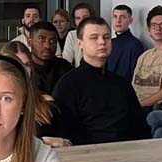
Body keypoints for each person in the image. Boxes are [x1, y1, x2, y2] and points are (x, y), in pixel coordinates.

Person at [52, 16, 149, 146]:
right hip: (86, 153)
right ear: (80, 43)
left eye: (106, 37)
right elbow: (63, 131)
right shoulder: (68, 85)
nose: (102, 42)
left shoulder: (121, 84)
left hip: (127, 151)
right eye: (94, 38)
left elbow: (140, 127)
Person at [0, 40, 70, 148]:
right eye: (18, 64)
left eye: (27, 65)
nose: (24, 70)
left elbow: (65, 142)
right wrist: (44, 141)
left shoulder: (47, 103)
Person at [27, 21, 73, 95]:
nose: (47, 46)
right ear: (29, 42)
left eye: (52, 41)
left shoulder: (65, 68)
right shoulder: (22, 68)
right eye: (41, 40)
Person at [106, 4, 144, 82]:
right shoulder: (109, 42)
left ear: (130, 20)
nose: (118, 21)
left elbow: (135, 76)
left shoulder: (135, 45)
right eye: (115, 17)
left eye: (123, 17)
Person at [65, 2, 95, 67]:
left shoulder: (99, 34)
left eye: (85, 17)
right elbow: (66, 61)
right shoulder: (72, 35)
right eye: (78, 18)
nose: (82, 21)